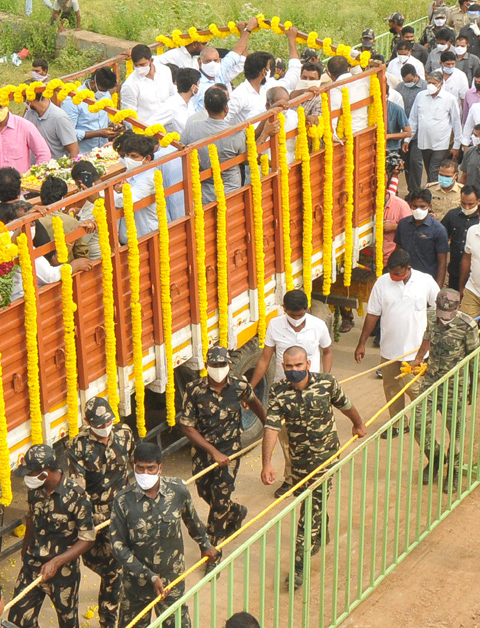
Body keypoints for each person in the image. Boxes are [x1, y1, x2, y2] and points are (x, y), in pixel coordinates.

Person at [260, 346, 367, 581]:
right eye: (289, 366)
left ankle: (299, 566)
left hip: (325, 459)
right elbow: (272, 428)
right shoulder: (278, 392)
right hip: (299, 462)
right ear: (283, 367)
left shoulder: (327, 383)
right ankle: (322, 527)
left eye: (298, 365)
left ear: (308, 364)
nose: (294, 370)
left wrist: (358, 423)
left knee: (308, 512)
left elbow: (345, 404)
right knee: (309, 503)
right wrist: (266, 463)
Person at [110, 442, 218, 628]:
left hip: (171, 580)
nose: (145, 473)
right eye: (140, 468)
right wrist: (149, 576)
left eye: (150, 468)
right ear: (133, 467)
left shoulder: (177, 490)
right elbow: (118, 546)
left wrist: (205, 544)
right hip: (136, 585)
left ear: (160, 467)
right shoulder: (122, 500)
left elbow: (192, 520)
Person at [179, 348, 267, 545]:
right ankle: (235, 511)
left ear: (228, 365)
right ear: (206, 366)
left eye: (222, 365)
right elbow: (187, 426)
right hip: (204, 452)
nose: (218, 369)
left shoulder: (239, 385)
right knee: (204, 492)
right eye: (214, 365)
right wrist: (213, 452)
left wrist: (268, 427)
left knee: (219, 501)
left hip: (230, 452)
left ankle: (213, 548)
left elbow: (254, 402)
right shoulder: (195, 390)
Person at [357, 248, 439, 435]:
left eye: (398, 273)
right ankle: (398, 424)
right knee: (392, 389)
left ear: (408, 268)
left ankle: (425, 422)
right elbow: (372, 314)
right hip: (389, 350)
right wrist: (361, 343)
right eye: (391, 273)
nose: (393, 276)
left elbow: (439, 307)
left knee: (415, 390)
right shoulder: (381, 283)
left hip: (416, 352)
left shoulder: (425, 281)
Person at [66, 398, 133, 628]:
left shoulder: (124, 434)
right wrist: (88, 522)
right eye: (99, 424)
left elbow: (134, 466)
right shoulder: (78, 446)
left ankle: (109, 622)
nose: (105, 428)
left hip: (123, 516)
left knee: (116, 571)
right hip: (97, 520)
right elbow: (79, 491)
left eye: (108, 422)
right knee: (104, 567)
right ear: (87, 422)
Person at [12, 444, 96, 628]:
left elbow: (88, 538)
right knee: (18, 620)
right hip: (32, 566)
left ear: (46, 471)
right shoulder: (35, 490)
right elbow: (32, 519)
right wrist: (25, 550)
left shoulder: (77, 497)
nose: (27, 478)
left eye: (30, 473)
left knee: (67, 622)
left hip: (62, 573)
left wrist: (56, 562)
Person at [411, 287, 479, 487]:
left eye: (448, 316)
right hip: (431, 379)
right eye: (441, 314)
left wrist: (471, 388)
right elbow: (427, 337)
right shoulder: (432, 317)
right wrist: (418, 358)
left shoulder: (467, 325)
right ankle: (437, 457)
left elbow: (474, 358)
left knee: (455, 431)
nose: (443, 320)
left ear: (458, 307)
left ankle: (454, 472)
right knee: (418, 422)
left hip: (454, 385)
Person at [409, 71, 462, 184]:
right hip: (424, 143)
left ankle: (432, 196)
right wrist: (407, 139)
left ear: (441, 84)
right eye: (429, 82)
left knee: (434, 171)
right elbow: (413, 119)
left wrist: (456, 145)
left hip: (441, 144)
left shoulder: (449, 99)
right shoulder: (420, 96)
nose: (431, 85)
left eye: (434, 83)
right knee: (429, 170)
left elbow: (456, 123)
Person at [0, 99, 51, 173]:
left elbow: (43, 154)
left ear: (7, 104)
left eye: (0, 107)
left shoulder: (25, 126)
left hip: (20, 184)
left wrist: (32, 176)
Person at [394, 189, 450, 283]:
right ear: (410, 205)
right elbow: (398, 250)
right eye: (415, 206)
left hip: (426, 280)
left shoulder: (439, 230)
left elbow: (442, 264)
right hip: (404, 278)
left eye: (422, 207)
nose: (418, 210)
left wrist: (437, 289)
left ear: (429, 206)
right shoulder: (403, 224)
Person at [119, 44, 176, 128]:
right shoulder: (130, 85)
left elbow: (172, 96)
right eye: (136, 65)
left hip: (169, 128)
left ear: (151, 61)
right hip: (146, 132)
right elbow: (128, 117)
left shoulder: (165, 71)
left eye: (142, 65)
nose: (139, 68)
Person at [24, 90, 79, 160]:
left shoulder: (59, 118)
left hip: (55, 168)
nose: (25, 103)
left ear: (29, 99)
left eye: (24, 100)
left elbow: (74, 151)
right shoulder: (29, 114)